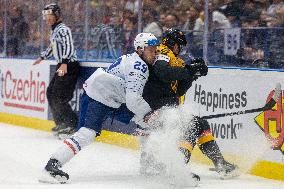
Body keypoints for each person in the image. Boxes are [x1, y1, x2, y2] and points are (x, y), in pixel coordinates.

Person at [39, 33, 160, 184]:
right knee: (87, 134)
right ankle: (51, 167)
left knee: (145, 123)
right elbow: (133, 100)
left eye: (156, 49)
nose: (155, 53)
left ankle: (149, 164)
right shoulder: (139, 67)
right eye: (151, 49)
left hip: (110, 97)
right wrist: (149, 113)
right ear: (140, 49)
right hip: (101, 98)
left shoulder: (130, 58)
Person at [140, 28, 239, 179]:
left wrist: (192, 74)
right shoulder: (163, 52)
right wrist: (188, 70)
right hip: (155, 109)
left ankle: (220, 164)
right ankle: (177, 170)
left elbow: (177, 91)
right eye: (179, 45)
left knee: (200, 124)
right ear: (174, 44)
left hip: (161, 107)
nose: (180, 49)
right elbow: (163, 73)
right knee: (190, 125)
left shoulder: (171, 58)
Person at [33, 3, 80, 136]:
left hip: (68, 66)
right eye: (45, 16)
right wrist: (42, 56)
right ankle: (61, 123)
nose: (47, 18)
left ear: (57, 15)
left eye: (49, 15)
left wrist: (64, 63)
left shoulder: (63, 29)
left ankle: (71, 124)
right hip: (62, 66)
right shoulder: (55, 30)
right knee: (51, 93)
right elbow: (52, 46)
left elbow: (68, 46)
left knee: (59, 96)